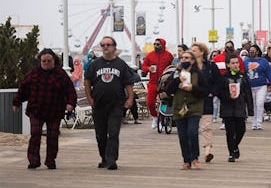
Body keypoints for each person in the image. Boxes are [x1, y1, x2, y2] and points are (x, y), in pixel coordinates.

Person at [12, 49, 77, 170]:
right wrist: (16, 103)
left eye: (49, 61)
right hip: (36, 110)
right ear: (40, 61)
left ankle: (50, 160)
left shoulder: (60, 74)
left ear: (54, 61)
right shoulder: (33, 73)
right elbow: (23, 89)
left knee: (52, 137)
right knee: (35, 135)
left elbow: (70, 91)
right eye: (44, 61)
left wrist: (71, 103)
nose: (46, 63)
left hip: (55, 111)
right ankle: (34, 160)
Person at [84, 36, 135, 170]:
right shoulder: (95, 64)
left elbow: (128, 83)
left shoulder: (121, 64)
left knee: (113, 133)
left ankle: (112, 160)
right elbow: (87, 80)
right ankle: (104, 158)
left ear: (114, 47)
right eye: (103, 45)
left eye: (108, 44)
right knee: (100, 134)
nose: (105, 47)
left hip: (116, 104)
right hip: (99, 104)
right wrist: (89, 97)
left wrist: (130, 99)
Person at [166, 50, 208, 170]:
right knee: (183, 135)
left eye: (187, 58)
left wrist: (192, 88)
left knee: (192, 132)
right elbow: (168, 90)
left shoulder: (198, 74)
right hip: (179, 108)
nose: (184, 60)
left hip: (194, 107)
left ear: (193, 61)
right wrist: (177, 80)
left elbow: (205, 91)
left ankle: (195, 157)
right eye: (183, 58)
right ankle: (186, 160)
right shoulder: (176, 73)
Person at [216, 55, 254, 162]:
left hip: (240, 107)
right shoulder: (223, 77)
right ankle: (231, 153)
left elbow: (248, 93)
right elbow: (219, 92)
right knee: (230, 132)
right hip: (227, 108)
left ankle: (235, 146)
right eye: (232, 63)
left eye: (236, 63)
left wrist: (250, 109)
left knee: (241, 130)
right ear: (228, 65)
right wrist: (227, 97)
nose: (235, 65)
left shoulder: (243, 76)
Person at [191, 42, 221, 163]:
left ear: (202, 52)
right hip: (192, 101)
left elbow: (218, 81)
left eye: (195, 50)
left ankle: (208, 151)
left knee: (206, 126)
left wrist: (212, 93)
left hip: (206, 100)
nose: (192, 52)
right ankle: (192, 154)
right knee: (192, 129)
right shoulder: (189, 66)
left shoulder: (210, 66)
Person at [141, 38, 174, 129]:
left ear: (163, 45)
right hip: (153, 82)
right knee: (150, 102)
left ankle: (162, 118)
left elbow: (173, 66)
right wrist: (148, 69)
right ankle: (155, 117)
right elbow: (143, 66)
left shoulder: (169, 55)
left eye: (158, 44)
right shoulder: (150, 55)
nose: (156, 46)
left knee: (164, 101)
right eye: (154, 44)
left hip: (165, 83)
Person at [245, 45, 271, 130]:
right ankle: (254, 122)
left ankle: (259, 122)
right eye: (250, 50)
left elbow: (270, 74)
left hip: (261, 86)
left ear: (258, 52)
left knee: (259, 103)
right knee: (253, 105)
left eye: (253, 50)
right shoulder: (246, 61)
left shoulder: (263, 61)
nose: (251, 52)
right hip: (250, 87)